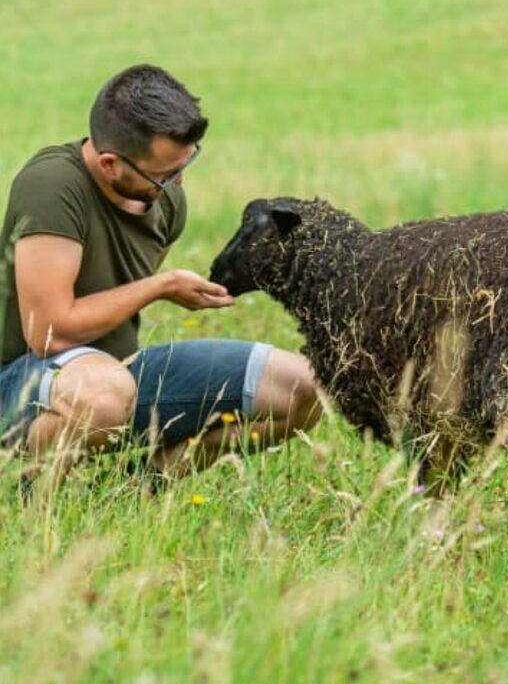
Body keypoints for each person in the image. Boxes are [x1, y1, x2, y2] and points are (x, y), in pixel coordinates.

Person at [0, 64, 322, 492]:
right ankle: (27, 495)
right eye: (164, 174)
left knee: (305, 387)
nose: (177, 181)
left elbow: (116, 298)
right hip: (22, 384)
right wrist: (160, 286)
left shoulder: (167, 200)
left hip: (118, 375)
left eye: (185, 164)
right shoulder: (52, 187)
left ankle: (135, 489)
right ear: (111, 163)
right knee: (104, 395)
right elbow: (49, 334)